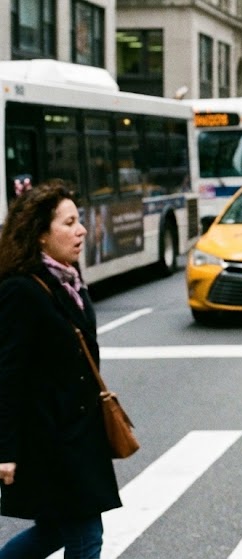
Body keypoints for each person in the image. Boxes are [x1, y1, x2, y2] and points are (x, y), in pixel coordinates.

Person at [0, 183, 123, 558]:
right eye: (69, 222)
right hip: (51, 441)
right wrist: (5, 450)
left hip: (78, 438)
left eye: (79, 220)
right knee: (86, 535)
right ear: (40, 233)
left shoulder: (68, 280)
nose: (82, 230)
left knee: (54, 530)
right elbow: (7, 374)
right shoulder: (21, 290)